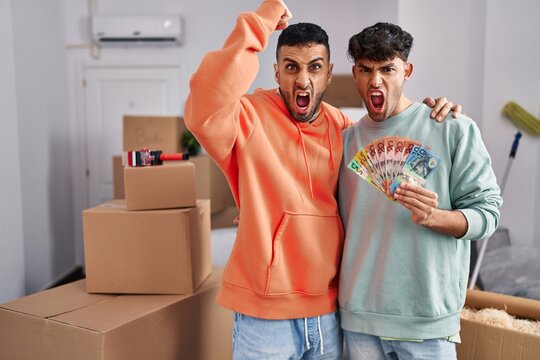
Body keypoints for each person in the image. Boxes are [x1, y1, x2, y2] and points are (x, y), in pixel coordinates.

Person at [185, 1, 458, 358]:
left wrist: (430, 113)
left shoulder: (345, 129)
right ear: (276, 72)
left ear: (328, 74)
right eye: (291, 67)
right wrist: (260, 23)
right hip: (266, 317)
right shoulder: (247, 117)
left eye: (314, 68)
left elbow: (393, 145)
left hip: (329, 314)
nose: (303, 79)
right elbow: (205, 101)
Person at [338, 22, 503, 359]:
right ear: (355, 72)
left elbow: (488, 214)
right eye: (366, 70)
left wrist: (435, 217)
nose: (376, 81)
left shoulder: (452, 128)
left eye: (388, 69)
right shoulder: (343, 141)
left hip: (427, 324)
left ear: (407, 70)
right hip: (359, 322)